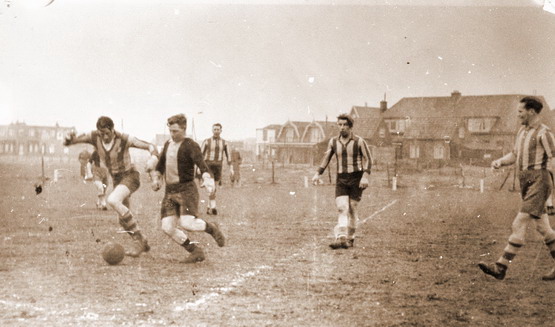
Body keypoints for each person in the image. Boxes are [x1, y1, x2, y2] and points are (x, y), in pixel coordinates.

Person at [479, 96, 555, 281]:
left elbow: (554, 159)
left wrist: (550, 196)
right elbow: (515, 154)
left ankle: (500, 266)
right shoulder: (522, 131)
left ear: (531, 112)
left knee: (518, 223)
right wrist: (500, 162)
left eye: (520, 111)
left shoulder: (544, 133)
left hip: (540, 181)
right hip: (526, 183)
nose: (518, 114)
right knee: (544, 228)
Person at [63, 116, 159, 257]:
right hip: (117, 180)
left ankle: (138, 239)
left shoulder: (124, 138)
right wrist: (68, 140)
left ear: (113, 130)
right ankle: (143, 241)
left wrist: (154, 157)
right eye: (102, 134)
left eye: (108, 133)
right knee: (123, 220)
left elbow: (150, 145)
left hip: (131, 176)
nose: (105, 137)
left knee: (113, 200)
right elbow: (73, 141)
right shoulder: (94, 136)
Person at [150, 114, 225, 263]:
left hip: (186, 191)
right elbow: (160, 166)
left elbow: (203, 165)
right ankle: (195, 251)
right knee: (167, 227)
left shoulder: (190, 145)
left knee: (187, 223)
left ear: (184, 129)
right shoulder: (167, 144)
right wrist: (157, 178)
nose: (172, 134)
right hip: (170, 192)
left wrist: (207, 179)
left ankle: (211, 228)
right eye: (170, 130)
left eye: (176, 131)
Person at [312, 114, 373, 249]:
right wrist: (317, 174)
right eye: (340, 125)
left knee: (352, 208)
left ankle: (350, 237)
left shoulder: (359, 141)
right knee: (342, 208)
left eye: (345, 125)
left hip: (356, 178)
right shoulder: (333, 142)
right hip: (341, 178)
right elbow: (326, 158)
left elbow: (369, 159)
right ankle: (341, 237)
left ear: (350, 127)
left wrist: (365, 176)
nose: (342, 127)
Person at [200, 123, 233, 215]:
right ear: (212, 130)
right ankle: (213, 207)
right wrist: (199, 168)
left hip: (218, 166)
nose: (216, 131)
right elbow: (200, 155)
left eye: (218, 129)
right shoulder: (207, 141)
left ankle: (208, 207)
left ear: (221, 131)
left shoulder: (224, 142)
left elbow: (229, 155)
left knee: (214, 188)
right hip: (208, 166)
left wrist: (231, 168)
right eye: (214, 129)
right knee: (211, 187)